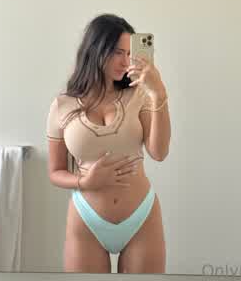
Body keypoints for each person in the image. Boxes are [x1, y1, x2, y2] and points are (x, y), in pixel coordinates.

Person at [46, 14, 171, 273]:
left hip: (141, 216)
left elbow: (159, 152)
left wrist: (158, 94)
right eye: (117, 52)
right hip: (86, 219)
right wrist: (85, 182)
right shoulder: (62, 105)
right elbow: (55, 172)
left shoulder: (139, 95)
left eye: (129, 53)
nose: (126, 61)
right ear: (96, 50)